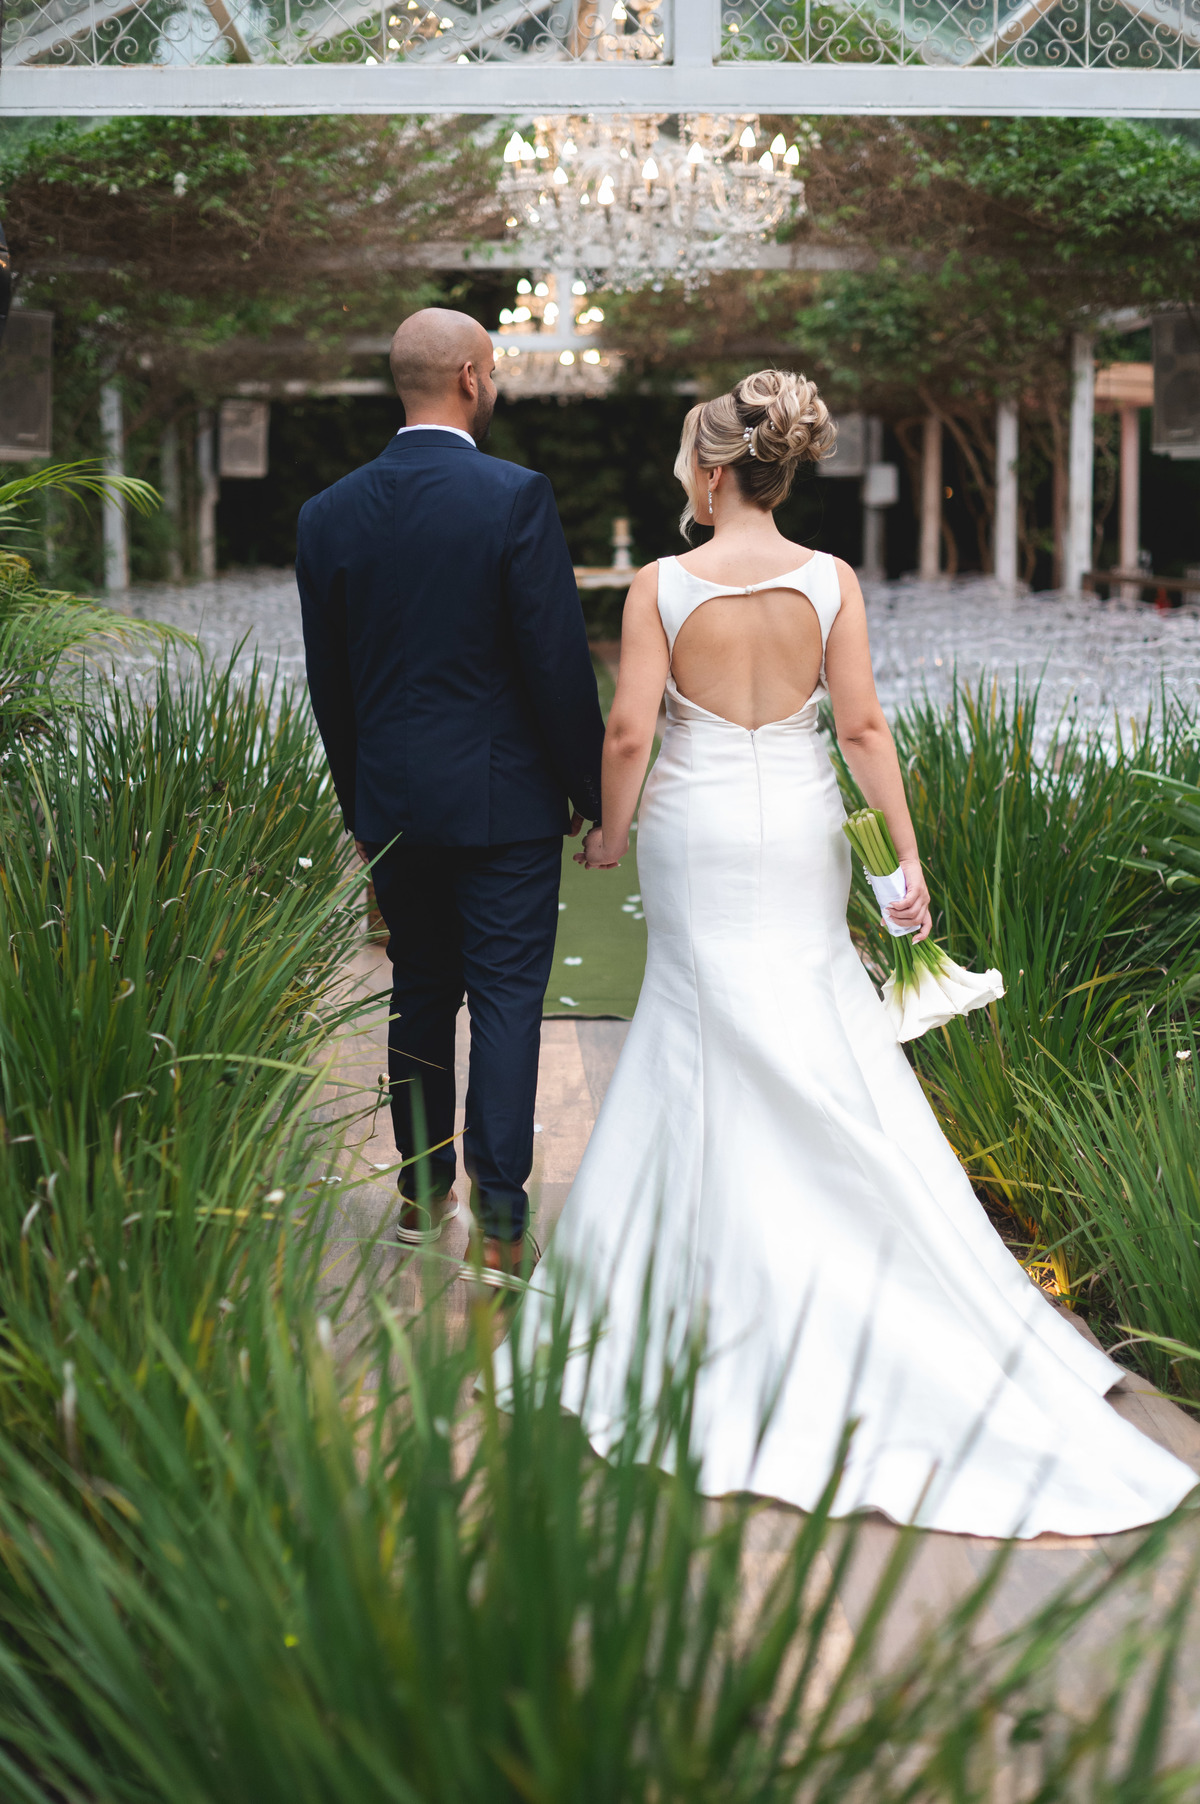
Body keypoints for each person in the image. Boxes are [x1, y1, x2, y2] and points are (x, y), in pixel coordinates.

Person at [510, 369, 1196, 1538]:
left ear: (715, 470)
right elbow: (865, 725)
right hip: (807, 826)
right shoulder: (829, 581)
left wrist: (612, 829)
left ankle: (693, 1286)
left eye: (691, 459)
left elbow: (630, 726)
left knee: (695, 1022)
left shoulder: (662, 584)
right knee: (815, 1007)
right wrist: (905, 865)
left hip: (696, 826)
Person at [296, 308, 604, 1282]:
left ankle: (423, 1202)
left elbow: (330, 686)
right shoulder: (515, 497)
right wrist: (593, 792)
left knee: (421, 993)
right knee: (509, 1000)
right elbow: (555, 664)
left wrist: (361, 809)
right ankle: (505, 1223)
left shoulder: (327, 513)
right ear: (472, 377)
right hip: (505, 804)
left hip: (393, 803)